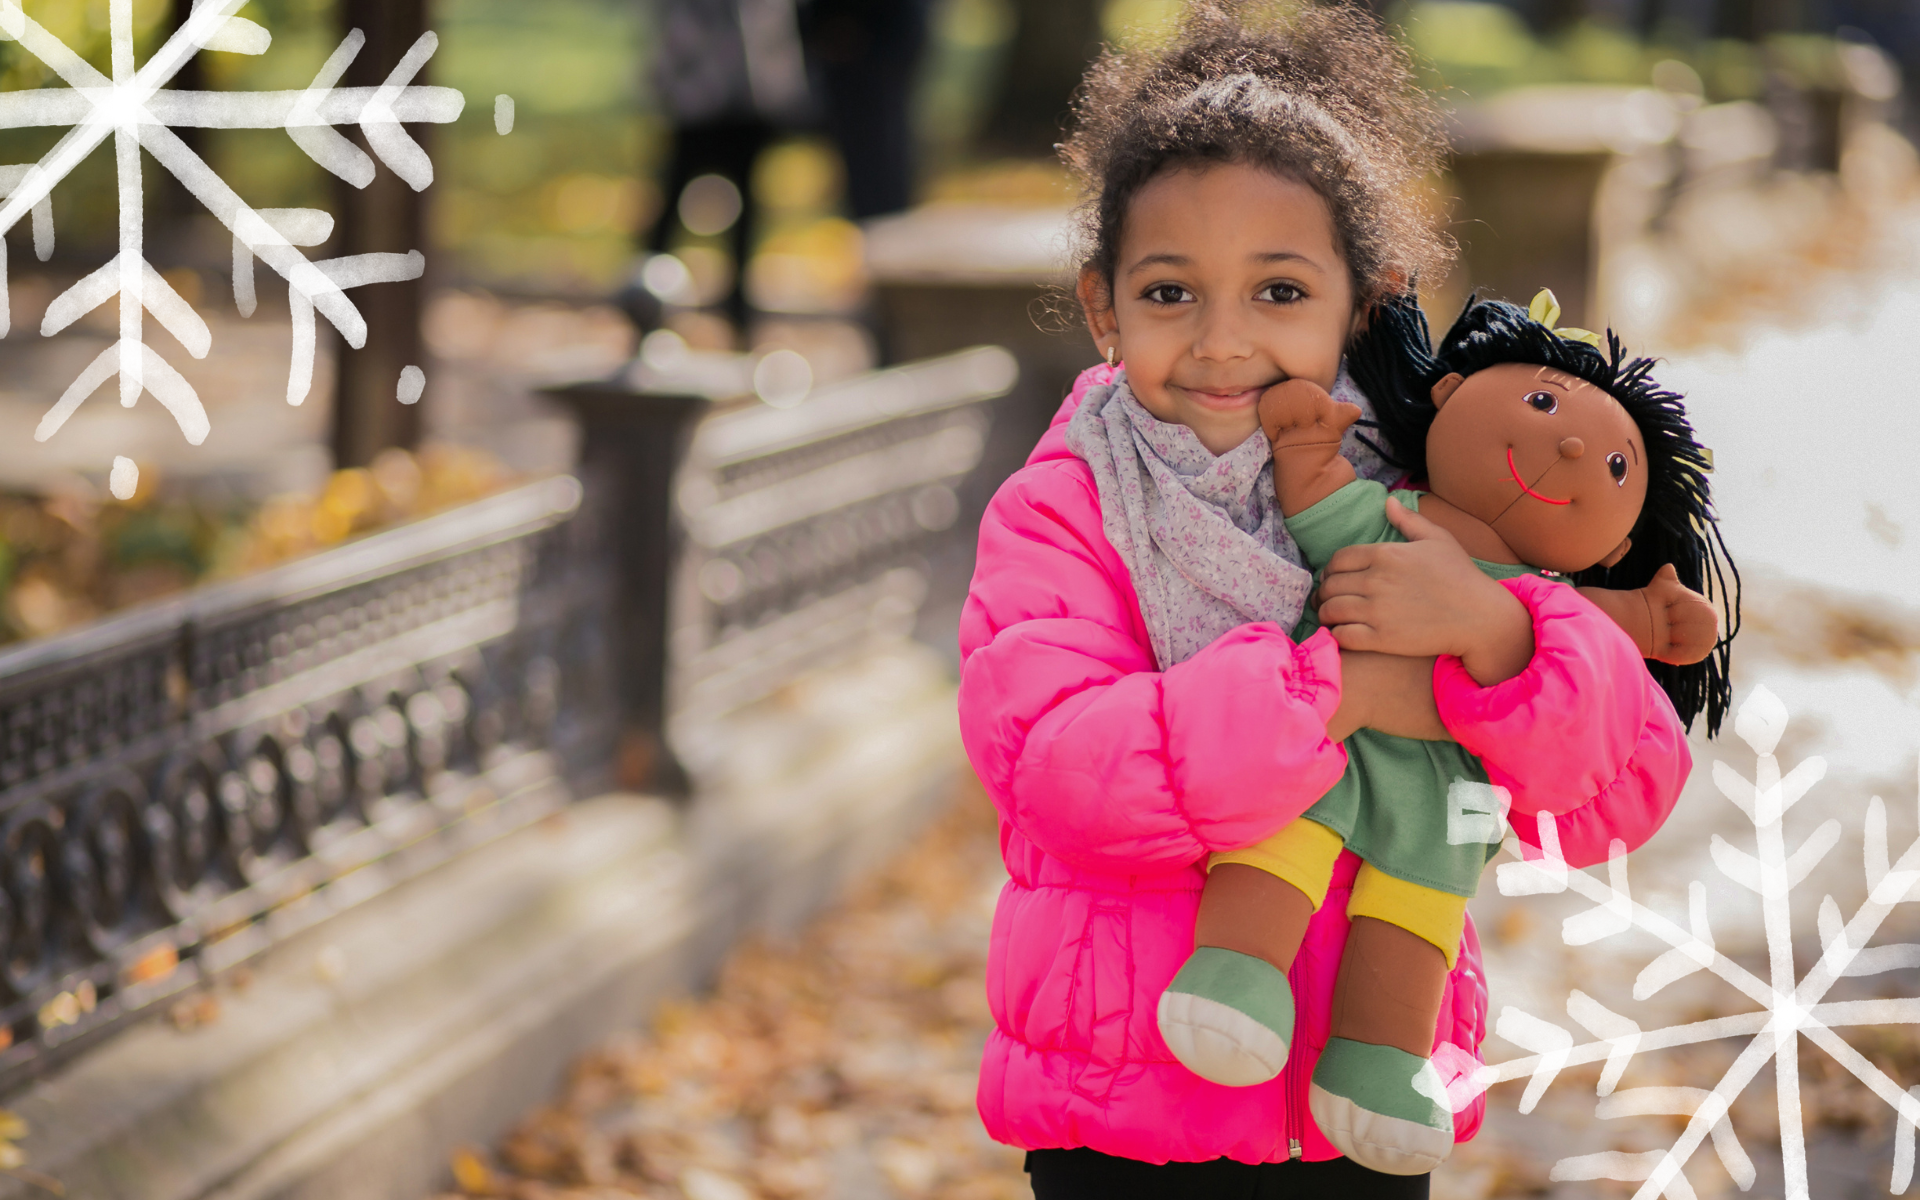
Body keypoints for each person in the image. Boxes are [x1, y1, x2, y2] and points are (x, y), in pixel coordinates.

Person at [954, 4, 1693, 1197]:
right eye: (1170, 293)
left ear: (1366, 299)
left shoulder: (1433, 498)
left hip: (1358, 1106)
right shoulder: (1067, 508)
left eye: (1280, 291)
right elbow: (1063, 767)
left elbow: (1613, 801)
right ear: (1104, 305)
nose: (1224, 340)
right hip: (1129, 1102)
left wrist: (1499, 635)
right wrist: (1339, 685)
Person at [1157, 292, 1736, 1175]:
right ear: (1455, 388)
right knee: (1284, 842)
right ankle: (1235, 976)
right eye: (1542, 403)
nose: (1575, 446)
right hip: (1333, 744)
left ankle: (1382, 1067)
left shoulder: (1550, 605)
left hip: (1451, 798)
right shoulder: (1398, 517)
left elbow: (1582, 643)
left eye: (1618, 462)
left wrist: (1652, 624)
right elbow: (1326, 511)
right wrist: (1305, 447)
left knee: (1417, 912)